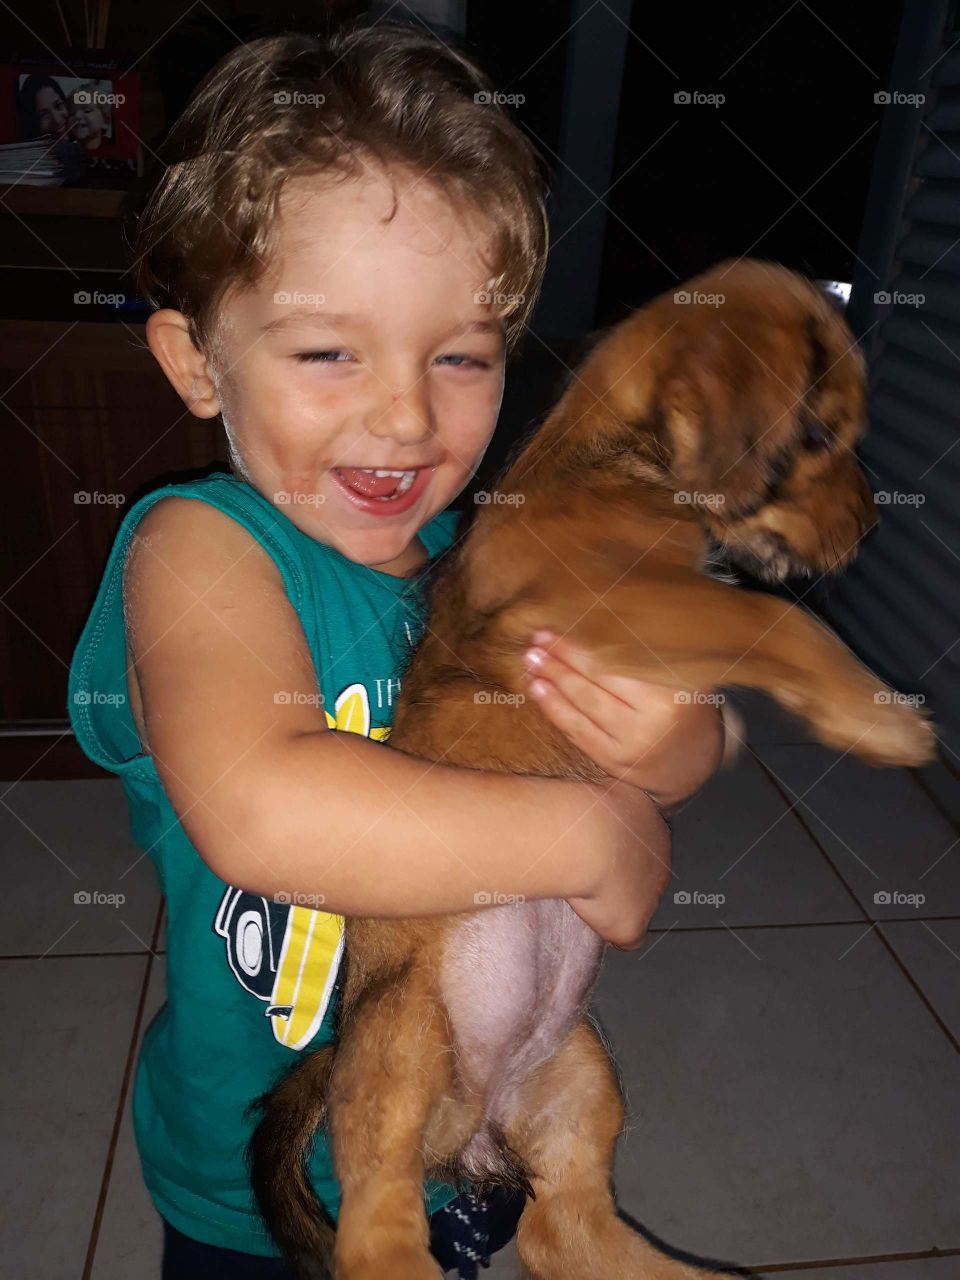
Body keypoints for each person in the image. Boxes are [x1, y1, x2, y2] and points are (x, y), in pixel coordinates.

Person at [67, 20, 727, 1279]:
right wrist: (596, 833)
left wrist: (671, 738)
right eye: (329, 352)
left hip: (477, 1117)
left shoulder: (490, 576)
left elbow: (658, 727)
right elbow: (261, 808)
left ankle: (572, 1224)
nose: (408, 412)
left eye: (461, 355)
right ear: (196, 360)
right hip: (268, 1177)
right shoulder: (197, 549)